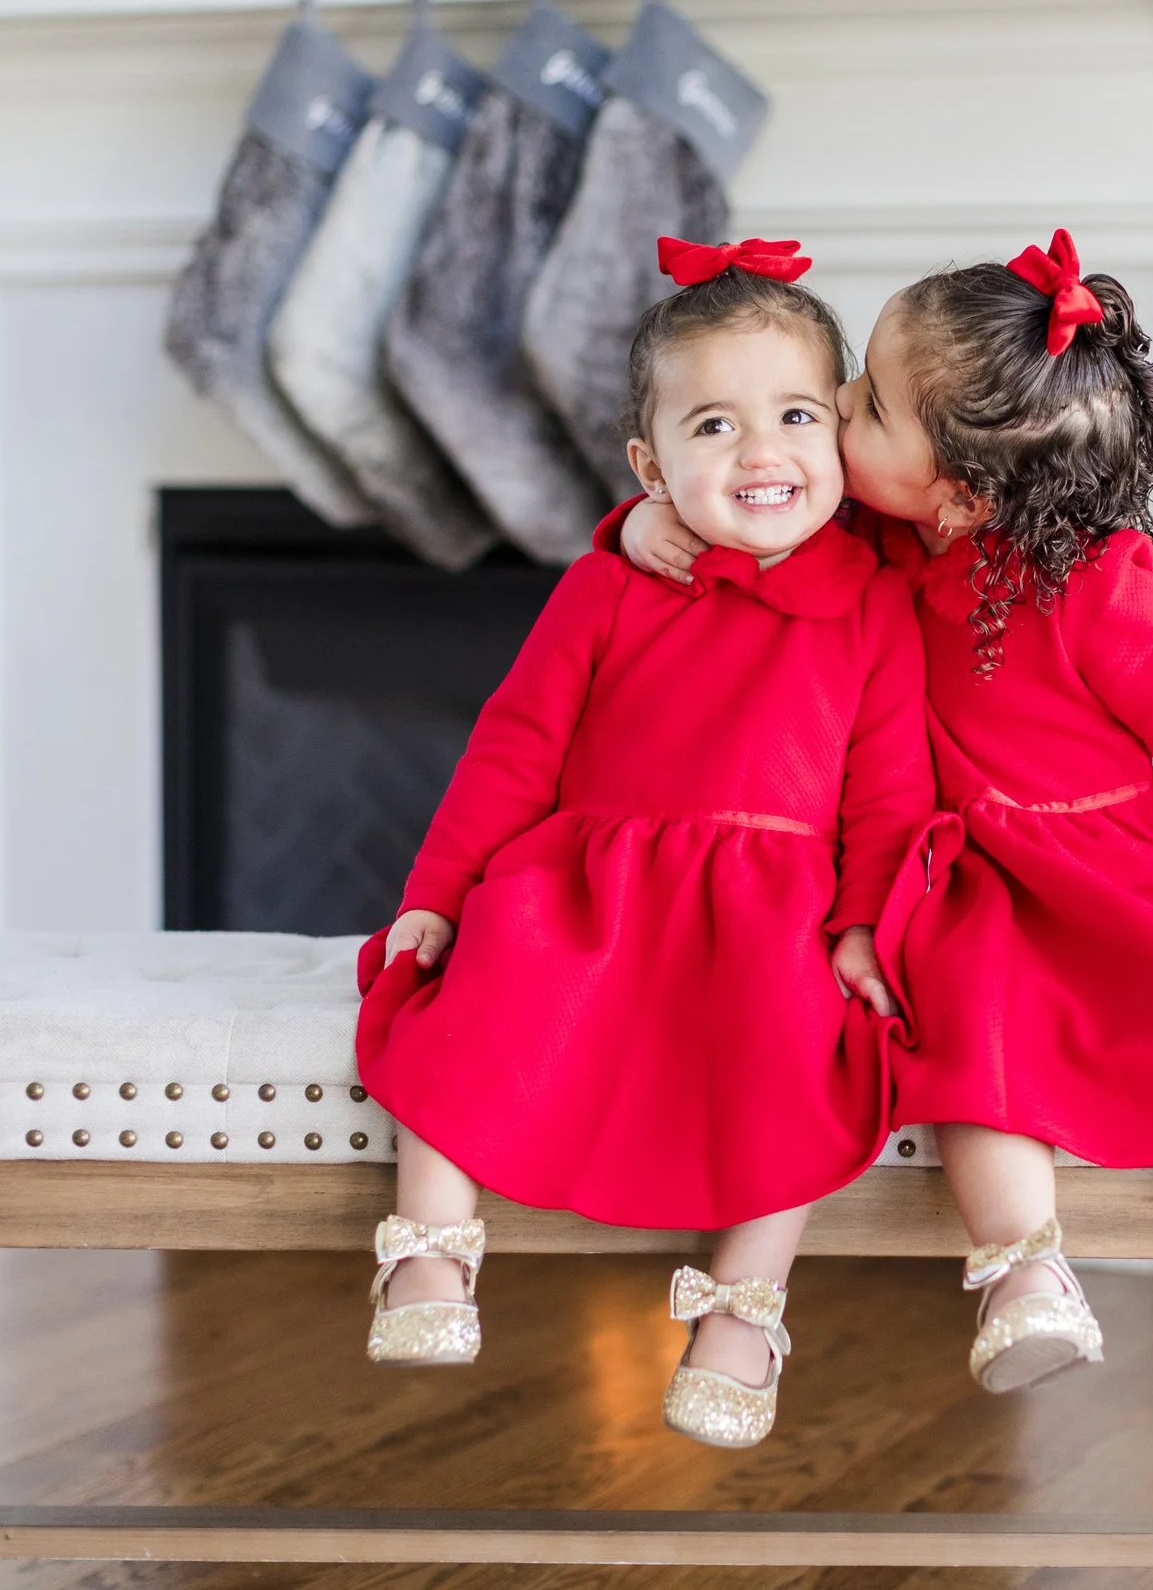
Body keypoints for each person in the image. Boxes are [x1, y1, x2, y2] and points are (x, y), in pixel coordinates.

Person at [616, 231, 1153, 1488]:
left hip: (1120, 863)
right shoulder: (863, 543)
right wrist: (640, 518)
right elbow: (729, 493)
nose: (834, 419)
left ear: (962, 491)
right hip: (963, 875)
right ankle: (1023, 1272)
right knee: (965, 1020)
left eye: (860, 404)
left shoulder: (1097, 591)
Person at [356, 237, 932, 1451]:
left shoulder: (878, 598)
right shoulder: (610, 585)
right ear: (650, 464)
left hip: (774, 905)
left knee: (805, 1048)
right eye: (712, 427)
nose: (761, 452)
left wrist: (865, 924)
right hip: (593, 884)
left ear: (839, 429)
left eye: (791, 415)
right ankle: (430, 1242)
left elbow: (891, 789)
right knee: (469, 985)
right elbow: (512, 746)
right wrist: (439, 890)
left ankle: (743, 1304)